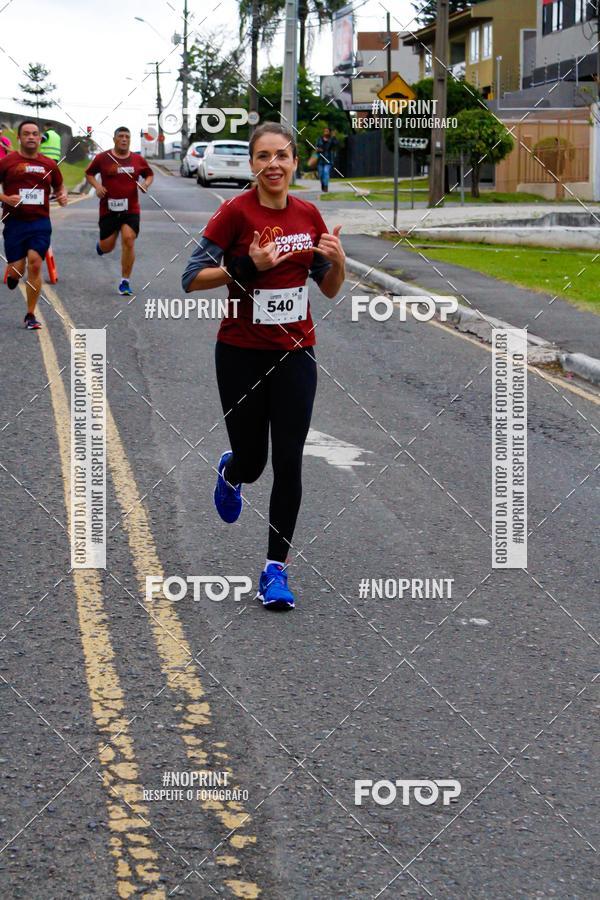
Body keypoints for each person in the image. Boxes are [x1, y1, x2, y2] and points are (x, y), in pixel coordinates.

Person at [181, 122, 345, 611]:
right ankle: (232, 470)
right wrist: (247, 267)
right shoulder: (234, 213)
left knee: (290, 460)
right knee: (254, 462)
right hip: (240, 352)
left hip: (296, 353)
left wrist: (338, 261)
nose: (273, 164)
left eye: (282, 156)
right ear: (253, 165)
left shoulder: (308, 213)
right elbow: (191, 279)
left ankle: (276, 569)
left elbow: (331, 288)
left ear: (296, 162)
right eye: (263, 156)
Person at [0, 120, 67, 330]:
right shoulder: (7, 162)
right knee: (16, 270)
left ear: (40, 138)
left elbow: (60, 187)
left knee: (35, 263)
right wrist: (4, 198)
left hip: (39, 222)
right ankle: (13, 275)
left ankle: (30, 314)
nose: (31, 137)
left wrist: (62, 195)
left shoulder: (49, 164)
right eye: (26, 134)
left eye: (35, 134)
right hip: (14, 222)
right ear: (19, 138)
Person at [85, 126, 153, 296]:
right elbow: (89, 173)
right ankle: (102, 246)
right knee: (107, 247)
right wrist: (98, 186)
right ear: (114, 139)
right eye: (121, 136)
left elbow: (149, 174)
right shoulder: (103, 158)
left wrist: (145, 184)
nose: (124, 139)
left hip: (131, 209)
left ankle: (125, 281)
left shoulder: (137, 160)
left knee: (129, 239)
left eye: (127, 137)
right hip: (109, 209)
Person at [315, 127, 338, 193]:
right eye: (324, 131)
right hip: (320, 159)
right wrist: (318, 149)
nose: (325, 132)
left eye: (327, 131)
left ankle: (326, 186)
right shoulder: (319, 139)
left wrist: (334, 137)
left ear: (329, 132)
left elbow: (336, 144)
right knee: (321, 174)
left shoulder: (332, 139)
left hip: (328, 159)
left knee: (326, 172)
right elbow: (316, 147)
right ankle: (323, 184)